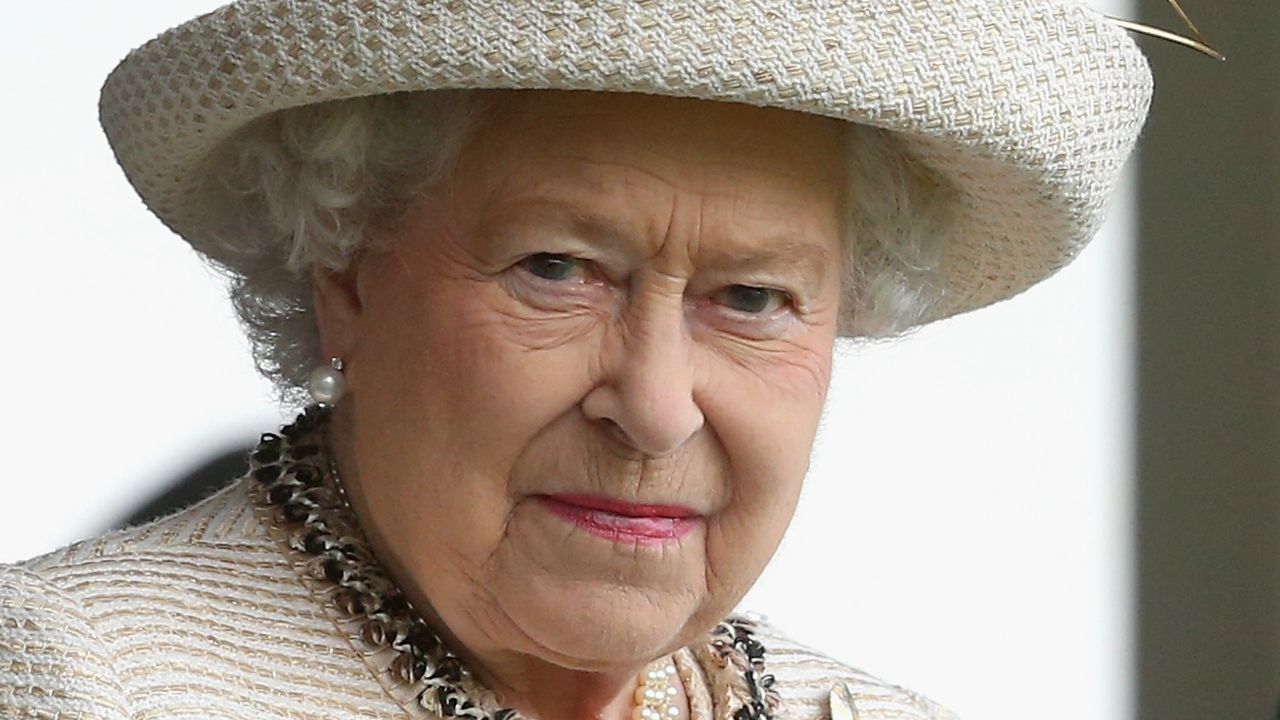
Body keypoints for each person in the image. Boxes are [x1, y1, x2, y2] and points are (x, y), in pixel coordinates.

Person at [0, 1, 1154, 718]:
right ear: (342, 274)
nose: (653, 409)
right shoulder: (73, 684)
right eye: (556, 270)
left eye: (751, 298)